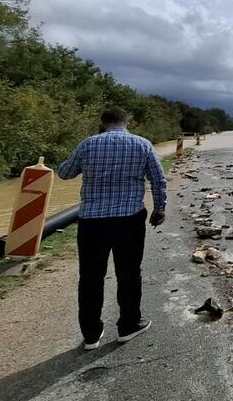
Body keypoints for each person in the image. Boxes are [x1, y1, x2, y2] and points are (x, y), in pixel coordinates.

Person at [58, 106, 167, 350]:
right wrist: (159, 210)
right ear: (126, 122)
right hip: (129, 219)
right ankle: (128, 325)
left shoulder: (87, 144)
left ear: (102, 122)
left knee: (90, 277)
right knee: (128, 273)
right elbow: (158, 179)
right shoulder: (142, 144)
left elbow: (64, 173)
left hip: (91, 221)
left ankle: (91, 335)